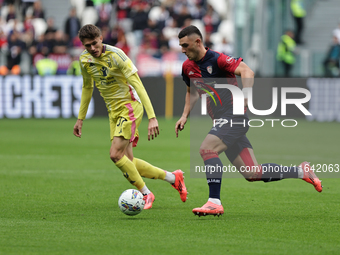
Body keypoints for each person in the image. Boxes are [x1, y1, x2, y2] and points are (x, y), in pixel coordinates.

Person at [175, 25, 322, 217]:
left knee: (207, 149)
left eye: (185, 45)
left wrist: (246, 95)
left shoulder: (218, 59)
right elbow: (192, 92)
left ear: (198, 41)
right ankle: (301, 172)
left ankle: (214, 202)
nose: (183, 50)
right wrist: (185, 115)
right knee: (252, 173)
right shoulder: (187, 67)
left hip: (234, 116)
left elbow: (247, 72)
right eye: (181, 46)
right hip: (221, 121)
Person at [73, 24, 187, 209]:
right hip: (113, 112)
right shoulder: (85, 60)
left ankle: (146, 193)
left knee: (115, 155)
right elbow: (87, 87)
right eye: (88, 46)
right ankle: (174, 178)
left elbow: (138, 85)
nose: (92, 48)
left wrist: (152, 117)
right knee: (129, 161)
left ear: (101, 38)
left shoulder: (117, 56)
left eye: (94, 43)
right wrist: (80, 119)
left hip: (129, 107)